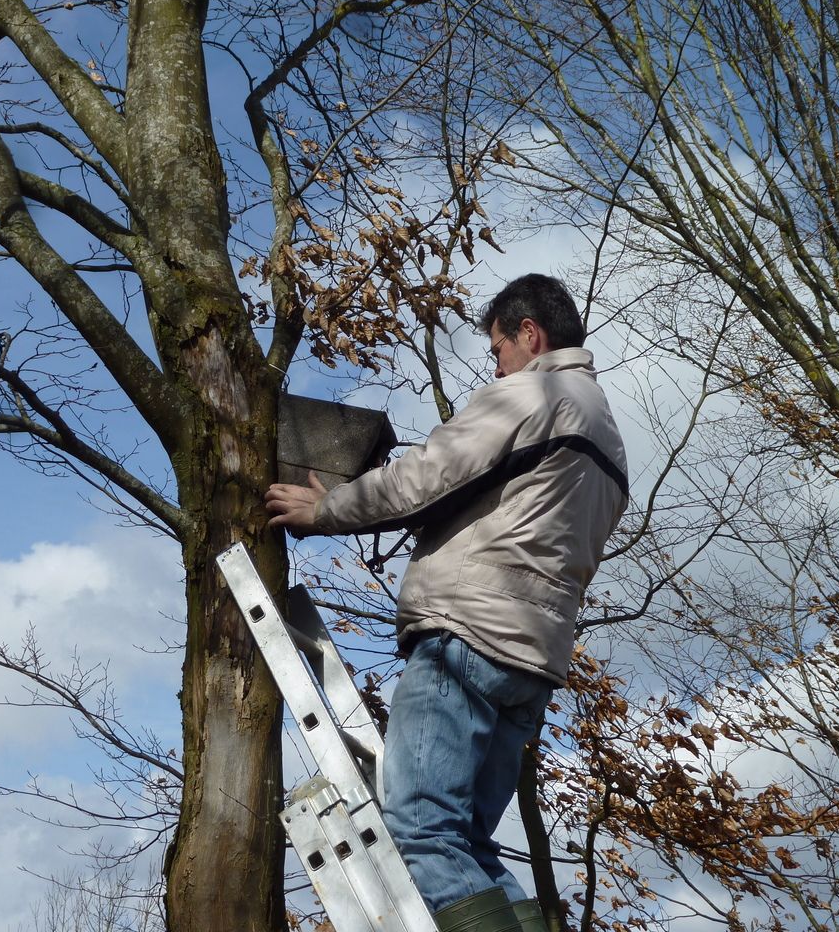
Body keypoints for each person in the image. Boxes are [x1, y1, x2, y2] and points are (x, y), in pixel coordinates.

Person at [265, 274, 628, 930]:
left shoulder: (534, 393)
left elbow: (427, 476)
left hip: (468, 638)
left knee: (420, 831)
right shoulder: (609, 441)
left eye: (498, 349)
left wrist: (328, 509)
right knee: (466, 843)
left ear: (529, 334)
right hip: (534, 661)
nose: (496, 367)